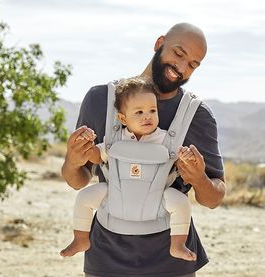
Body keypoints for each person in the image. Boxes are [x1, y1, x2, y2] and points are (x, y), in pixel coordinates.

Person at [62, 22, 226, 277]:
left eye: (193, 64)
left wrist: (199, 179)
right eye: (178, 54)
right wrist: (73, 160)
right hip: (106, 258)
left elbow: (214, 198)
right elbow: (77, 180)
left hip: (171, 265)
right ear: (159, 43)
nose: (181, 68)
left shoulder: (197, 116)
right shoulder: (100, 101)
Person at [60, 76, 198, 261]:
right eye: (139, 112)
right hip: (115, 193)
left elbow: (179, 161)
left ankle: (178, 245)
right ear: (122, 119)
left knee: (181, 202)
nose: (147, 116)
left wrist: (187, 158)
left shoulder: (166, 140)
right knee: (84, 197)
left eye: (152, 110)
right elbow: (96, 156)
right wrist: (88, 146)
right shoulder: (115, 140)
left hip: (158, 198)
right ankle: (81, 239)